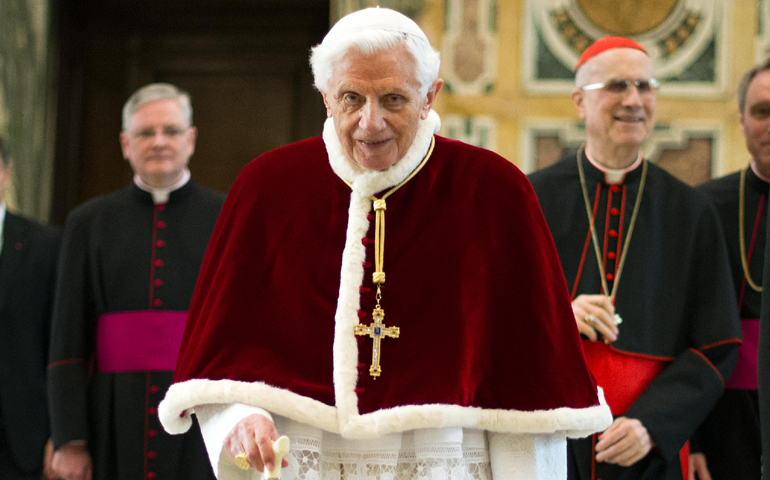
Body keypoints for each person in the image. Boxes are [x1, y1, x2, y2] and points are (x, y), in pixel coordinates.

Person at [158, 7, 612, 480]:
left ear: (429, 96)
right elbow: (224, 356)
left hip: (448, 455)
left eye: (393, 99)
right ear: (325, 97)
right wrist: (241, 416)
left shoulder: (496, 192)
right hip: (309, 455)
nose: (370, 123)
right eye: (351, 98)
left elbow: (529, 393)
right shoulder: (267, 188)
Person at [527, 37, 742, 480]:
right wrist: (559, 314)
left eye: (646, 87)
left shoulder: (691, 211)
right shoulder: (531, 197)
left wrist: (653, 425)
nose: (634, 100)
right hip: (549, 432)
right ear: (579, 103)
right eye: (617, 86)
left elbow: (718, 343)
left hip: (646, 446)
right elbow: (491, 315)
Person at [47, 83, 225, 480]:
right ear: (126, 144)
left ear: (191, 139)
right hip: (110, 412)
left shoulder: (226, 215)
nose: (159, 142)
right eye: (146, 133)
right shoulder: (88, 222)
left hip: (202, 414)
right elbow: (67, 339)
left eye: (171, 131)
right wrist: (69, 439)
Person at [695, 59, 770, 480]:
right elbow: (686, 329)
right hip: (725, 420)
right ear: (741, 121)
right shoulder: (705, 208)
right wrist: (695, 440)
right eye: (762, 112)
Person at [0, 137, 60, 480]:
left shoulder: (46, 245)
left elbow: (61, 344)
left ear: (7, 173)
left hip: (21, 437)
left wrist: (62, 434)